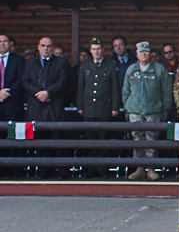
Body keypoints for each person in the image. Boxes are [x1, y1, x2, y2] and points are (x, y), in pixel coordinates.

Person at [22, 37, 71, 179]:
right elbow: (25, 81)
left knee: (58, 142)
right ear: (38, 47)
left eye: (49, 46)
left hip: (54, 107)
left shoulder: (61, 62)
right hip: (36, 108)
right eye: (43, 45)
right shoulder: (30, 63)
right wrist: (39, 94)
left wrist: (48, 92)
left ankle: (62, 173)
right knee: (40, 143)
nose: (46, 48)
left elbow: (64, 81)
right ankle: (43, 172)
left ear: (53, 47)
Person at [123, 41, 172, 181]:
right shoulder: (131, 70)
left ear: (149, 54)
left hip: (153, 111)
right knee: (137, 140)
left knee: (151, 140)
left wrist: (165, 108)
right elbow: (126, 91)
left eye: (146, 52)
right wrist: (127, 106)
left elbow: (167, 91)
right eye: (140, 52)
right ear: (137, 55)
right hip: (135, 111)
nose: (143, 54)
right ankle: (139, 168)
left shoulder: (159, 69)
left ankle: (151, 169)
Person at [76, 37, 121, 179]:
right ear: (90, 51)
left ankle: (102, 169)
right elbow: (81, 87)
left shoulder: (111, 65)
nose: (96, 51)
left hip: (104, 107)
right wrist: (79, 105)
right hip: (89, 107)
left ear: (103, 50)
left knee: (103, 139)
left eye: (99, 49)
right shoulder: (85, 65)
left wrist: (115, 107)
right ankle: (91, 168)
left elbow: (115, 88)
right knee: (90, 139)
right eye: (94, 49)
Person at [0, 34, 26, 178]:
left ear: (10, 44)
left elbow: (21, 79)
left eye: (5, 41)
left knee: (13, 136)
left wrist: (6, 93)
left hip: (12, 105)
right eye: (0, 42)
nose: (2, 44)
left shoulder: (18, 60)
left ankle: (14, 171)